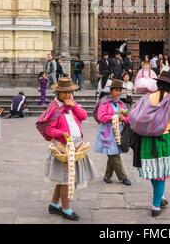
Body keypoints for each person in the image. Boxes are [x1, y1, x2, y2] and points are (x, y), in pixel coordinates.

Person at [38, 77, 96, 221]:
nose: (69, 94)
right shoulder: (54, 108)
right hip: (62, 148)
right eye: (65, 93)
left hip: (75, 146)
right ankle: (65, 208)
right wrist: (62, 133)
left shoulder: (71, 105)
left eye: (70, 92)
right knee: (66, 179)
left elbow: (83, 116)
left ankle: (53, 204)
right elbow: (49, 129)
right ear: (58, 93)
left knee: (62, 178)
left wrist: (74, 105)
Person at [131, 71, 170, 217]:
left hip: (146, 140)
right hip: (165, 140)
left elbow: (134, 117)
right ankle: (155, 206)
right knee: (160, 175)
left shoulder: (145, 99)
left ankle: (160, 197)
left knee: (154, 173)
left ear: (158, 84)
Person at [94, 79, 132, 186]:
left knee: (113, 153)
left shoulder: (121, 104)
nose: (118, 92)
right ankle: (123, 177)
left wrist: (123, 118)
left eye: (120, 90)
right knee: (114, 154)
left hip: (118, 132)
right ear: (111, 90)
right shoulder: (104, 103)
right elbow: (101, 117)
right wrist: (114, 117)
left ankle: (107, 176)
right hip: (107, 132)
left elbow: (127, 118)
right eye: (116, 90)